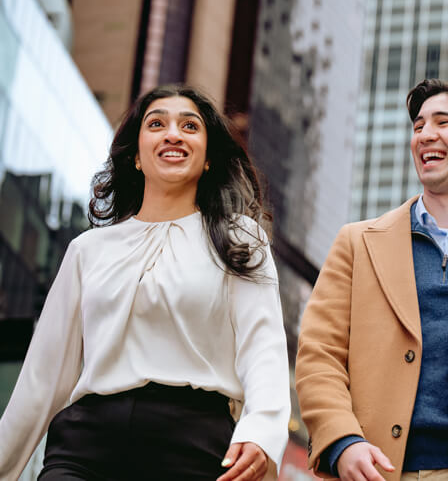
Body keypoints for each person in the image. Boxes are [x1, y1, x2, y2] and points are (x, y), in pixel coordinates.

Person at [0, 84, 291, 481]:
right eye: (157, 124)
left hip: (193, 447)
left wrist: (261, 431)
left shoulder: (240, 238)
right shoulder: (89, 249)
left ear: (208, 158)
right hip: (85, 447)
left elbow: (264, 349)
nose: (173, 133)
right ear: (136, 156)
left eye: (190, 126)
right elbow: (42, 377)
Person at [296, 79, 448, 481]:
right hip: (371, 471)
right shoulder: (357, 243)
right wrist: (342, 442)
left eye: (442, 122)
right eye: (418, 126)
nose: (425, 135)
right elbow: (319, 354)